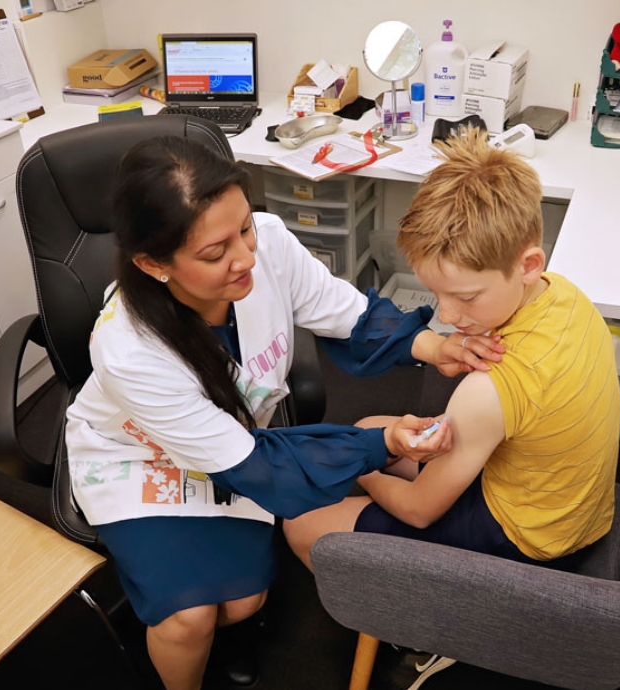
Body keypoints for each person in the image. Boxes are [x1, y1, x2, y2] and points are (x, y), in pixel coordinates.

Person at [64, 134, 503, 690]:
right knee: (188, 619)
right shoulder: (129, 350)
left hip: (236, 443)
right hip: (138, 455)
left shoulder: (268, 243)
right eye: (214, 252)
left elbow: (347, 313)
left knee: (243, 604)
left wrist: (435, 347)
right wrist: (383, 444)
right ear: (154, 264)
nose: (246, 257)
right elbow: (253, 466)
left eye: (243, 227)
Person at [284, 127, 620, 580]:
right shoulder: (563, 293)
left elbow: (419, 512)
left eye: (466, 297)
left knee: (302, 524)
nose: (446, 315)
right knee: (366, 428)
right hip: (567, 509)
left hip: (527, 540)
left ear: (527, 265)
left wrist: (362, 467)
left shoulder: (488, 391)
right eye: (436, 293)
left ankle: (412, 620)